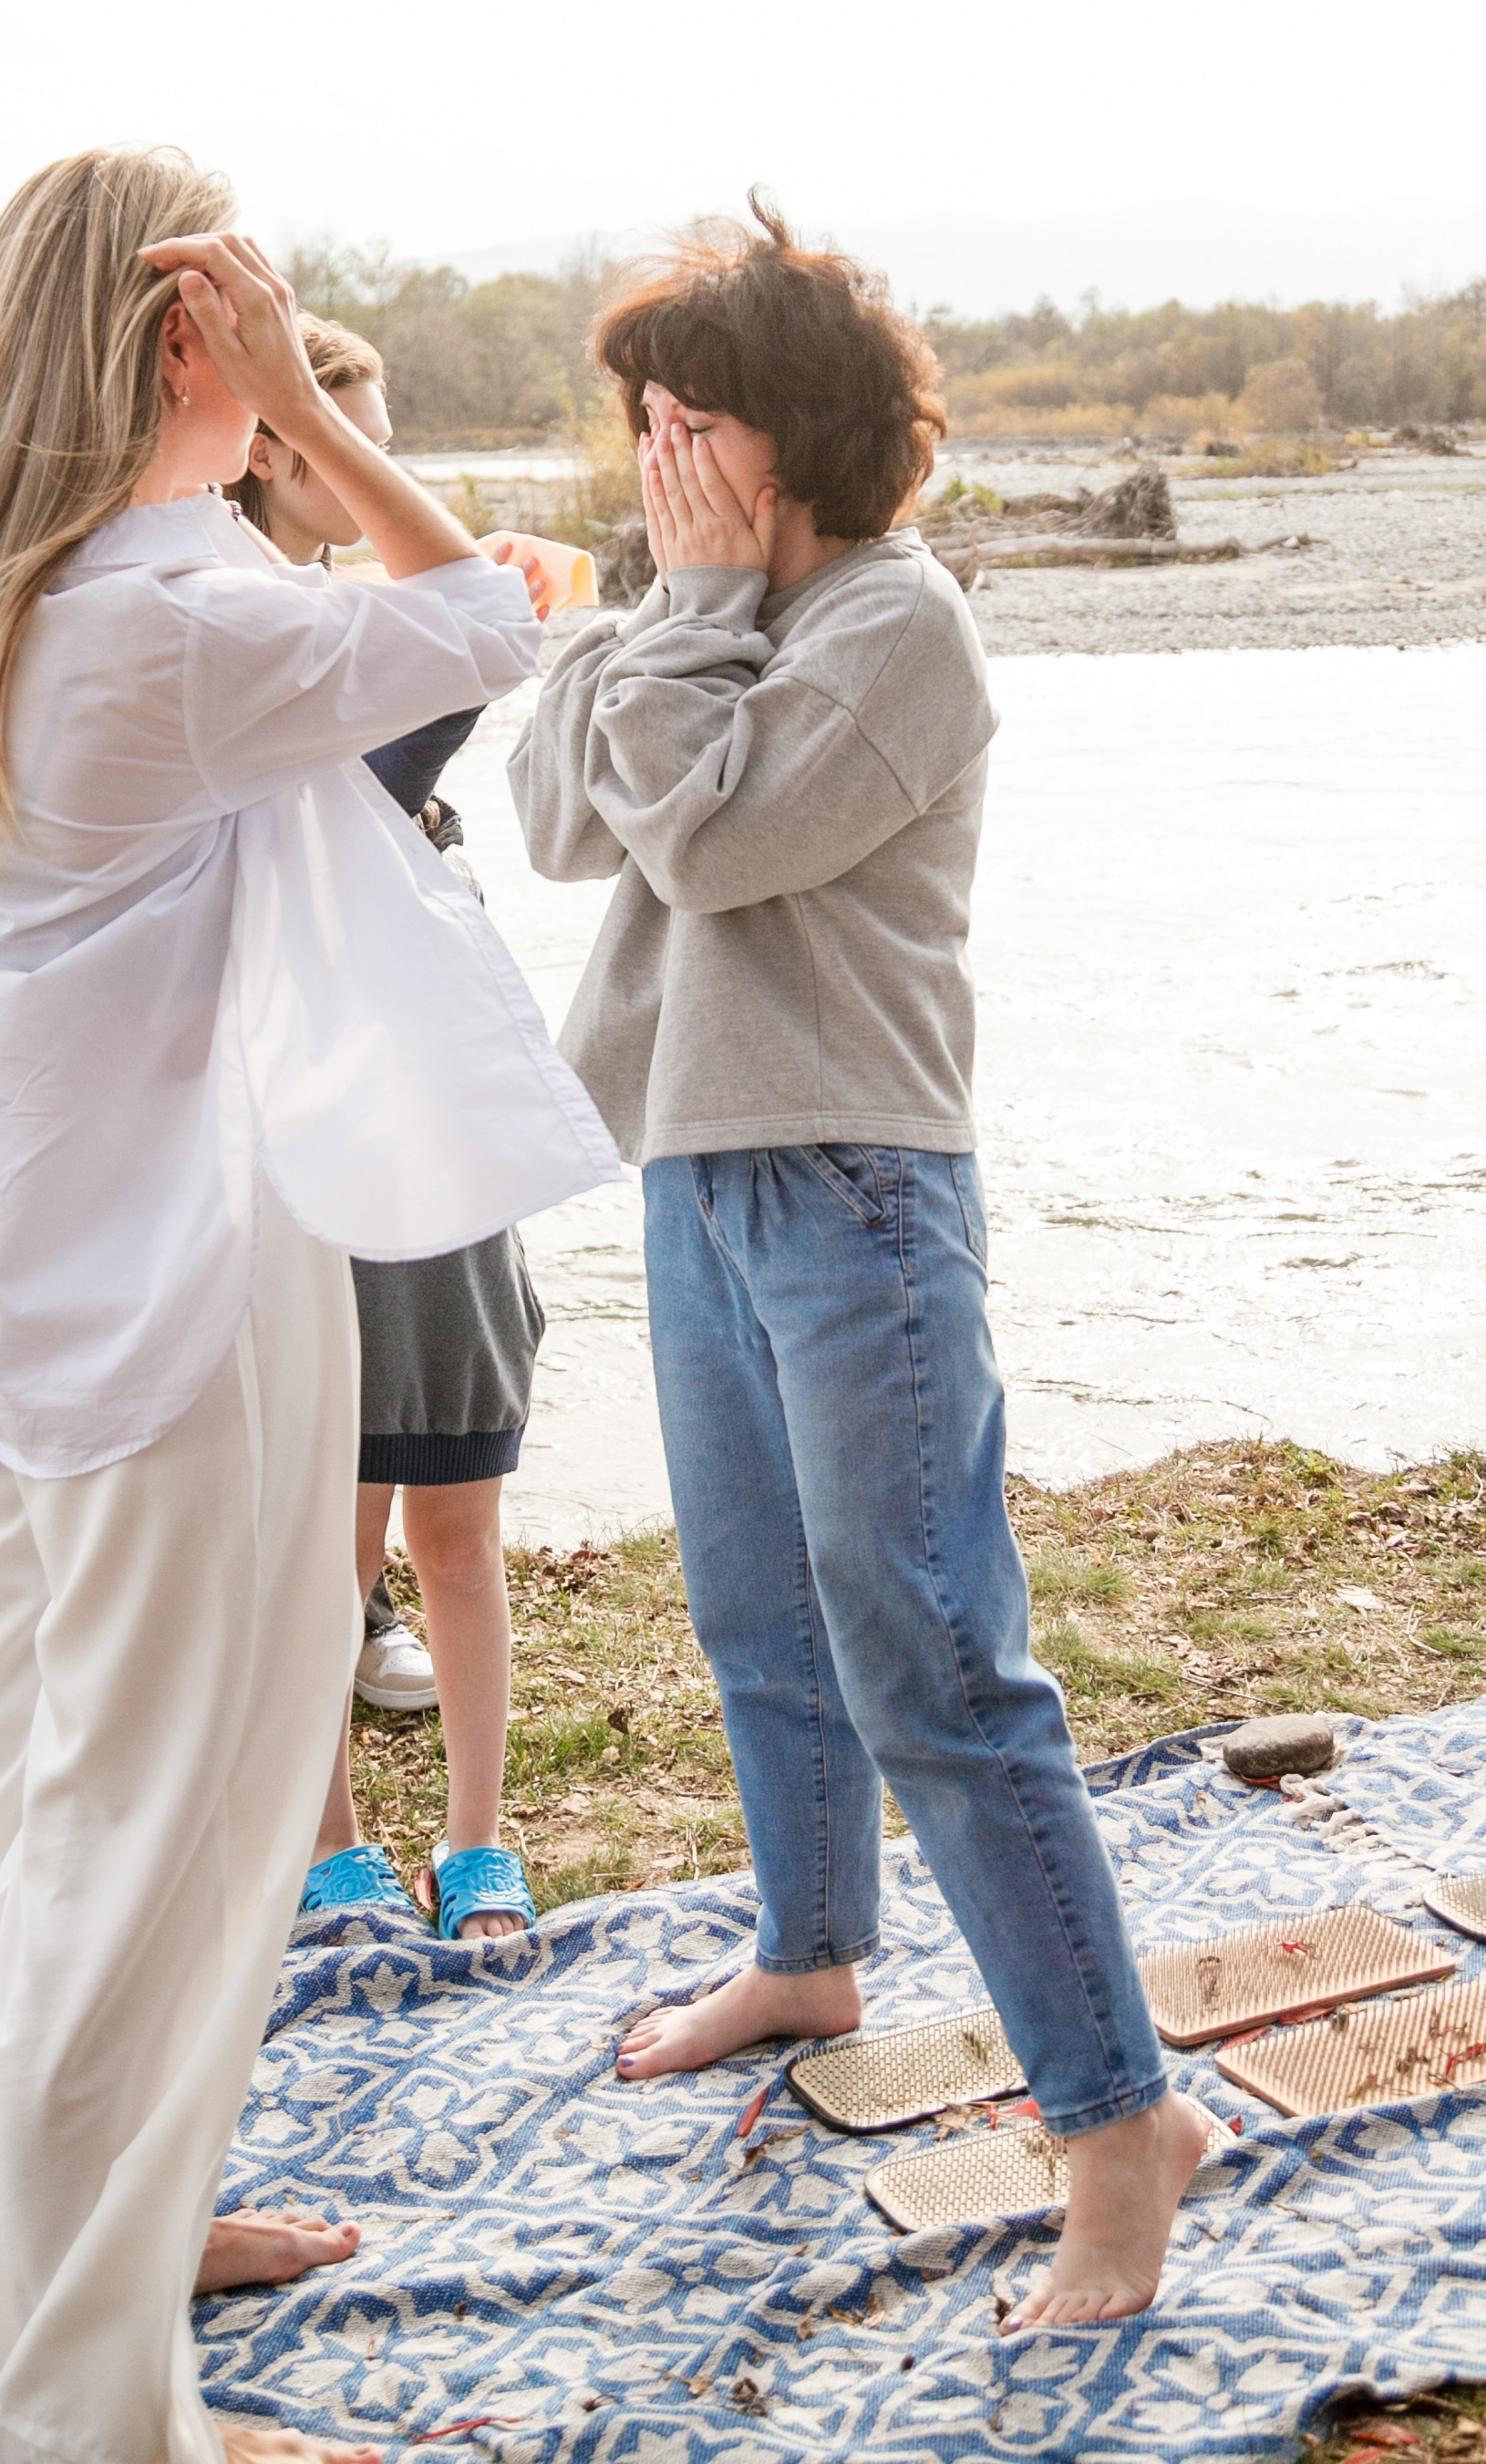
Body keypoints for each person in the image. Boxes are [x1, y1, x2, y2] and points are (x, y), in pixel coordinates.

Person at [0, 148, 616, 2464]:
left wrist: (258, 406)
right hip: (179, 1299)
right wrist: (314, 415)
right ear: (185, 339)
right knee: (165, 1831)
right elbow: (479, 614)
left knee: (35, 1783)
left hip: (16, 1285)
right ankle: (78, 2409)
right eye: (245, 313)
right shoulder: (165, 611)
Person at [509, 199, 1207, 2334]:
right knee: (754, 1610)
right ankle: (811, 1953)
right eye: (637, 423)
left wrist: (688, 606)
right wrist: (654, 610)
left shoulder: (898, 627)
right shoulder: (693, 604)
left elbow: (707, 844)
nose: (652, 462)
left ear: (783, 440)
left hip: (858, 1195)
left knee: (935, 1671)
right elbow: (554, 817)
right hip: (694, 1171)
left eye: (685, 421)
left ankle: (1116, 2130)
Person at [231, 316, 542, 1942]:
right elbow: (362, 791)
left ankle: (479, 1835)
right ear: (281, 448)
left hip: (444, 1147)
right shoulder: (248, 637)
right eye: (359, 439)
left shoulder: (355, 622)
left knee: (459, 1514)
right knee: (332, 1535)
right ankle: (335, 1839)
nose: (386, 474)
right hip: (325, 1158)